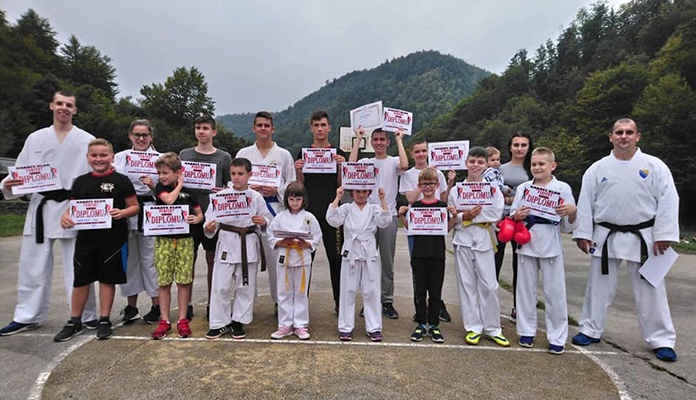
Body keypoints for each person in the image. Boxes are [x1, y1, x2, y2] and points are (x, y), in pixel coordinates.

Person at [571, 118, 680, 362]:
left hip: (645, 237)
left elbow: (669, 201)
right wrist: (583, 234)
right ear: (610, 136)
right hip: (606, 235)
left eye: (629, 132)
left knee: (651, 289)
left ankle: (661, 339)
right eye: (619, 132)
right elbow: (586, 203)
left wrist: (664, 234)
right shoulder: (597, 168)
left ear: (638, 136)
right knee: (598, 286)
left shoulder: (655, 166)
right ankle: (590, 328)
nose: (624, 136)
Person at [0, 90, 98, 336]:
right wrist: (8, 184)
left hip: (72, 206)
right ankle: (27, 315)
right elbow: (19, 172)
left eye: (69, 105)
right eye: (60, 103)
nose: (64, 108)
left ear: (75, 110)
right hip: (41, 205)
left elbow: (95, 174)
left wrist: (89, 206)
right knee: (32, 263)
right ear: (51, 106)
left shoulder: (86, 139)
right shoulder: (35, 138)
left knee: (78, 264)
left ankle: (85, 315)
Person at [53, 139, 139, 341]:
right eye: (94, 155)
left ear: (111, 156)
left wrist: (123, 212)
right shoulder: (81, 181)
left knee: (107, 279)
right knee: (81, 279)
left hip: (113, 238)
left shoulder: (121, 180)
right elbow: (73, 207)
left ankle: (104, 320)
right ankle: (74, 321)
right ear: (88, 158)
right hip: (86, 238)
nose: (99, 159)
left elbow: (135, 207)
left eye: (103, 155)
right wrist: (65, 216)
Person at [510, 147, 577, 354]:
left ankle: (557, 336)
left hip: (551, 243)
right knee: (525, 291)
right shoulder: (523, 188)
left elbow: (568, 225)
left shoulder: (563, 188)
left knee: (555, 293)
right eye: (534, 164)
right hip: (527, 241)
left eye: (542, 164)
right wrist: (517, 215)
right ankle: (526, 331)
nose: (537, 167)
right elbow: (513, 214)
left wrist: (573, 212)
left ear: (552, 166)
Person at [203, 158, 273, 340]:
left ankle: (238, 321)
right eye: (233, 174)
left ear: (250, 175)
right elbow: (210, 218)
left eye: (240, 174)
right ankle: (219, 323)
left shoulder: (256, 197)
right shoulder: (222, 196)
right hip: (227, 241)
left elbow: (267, 218)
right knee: (221, 286)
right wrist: (209, 227)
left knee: (245, 286)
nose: (236, 177)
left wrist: (263, 222)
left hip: (247, 242)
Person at [449, 146, 509, 347]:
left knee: (489, 285)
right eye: (472, 161)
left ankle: (493, 328)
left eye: (480, 162)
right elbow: (451, 217)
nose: (475, 165)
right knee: (467, 285)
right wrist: (462, 216)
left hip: (484, 239)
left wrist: (467, 216)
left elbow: (495, 215)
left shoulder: (493, 190)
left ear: (486, 165)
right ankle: (473, 327)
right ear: (466, 162)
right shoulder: (456, 190)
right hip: (462, 240)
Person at [236, 111, 296, 313]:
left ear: (273, 129)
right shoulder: (244, 154)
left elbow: (292, 184)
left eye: (266, 125)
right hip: (248, 211)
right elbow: (236, 183)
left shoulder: (284, 155)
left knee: (276, 259)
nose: (263, 128)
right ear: (253, 128)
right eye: (259, 125)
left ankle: (281, 302)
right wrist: (248, 189)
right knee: (247, 258)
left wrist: (277, 190)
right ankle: (245, 304)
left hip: (274, 209)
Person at [348, 127, 408, 319]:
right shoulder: (367, 162)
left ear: (387, 142)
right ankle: (369, 299)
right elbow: (351, 165)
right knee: (367, 261)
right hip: (368, 217)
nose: (379, 143)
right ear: (372, 142)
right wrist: (358, 139)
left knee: (387, 261)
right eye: (376, 140)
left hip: (388, 215)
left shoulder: (393, 162)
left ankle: (387, 300)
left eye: (383, 139)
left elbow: (405, 165)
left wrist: (399, 140)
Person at [293, 110, 346, 314]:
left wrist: (342, 167)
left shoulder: (338, 152)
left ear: (329, 127)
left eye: (323, 125)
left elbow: (342, 185)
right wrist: (299, 170)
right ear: (311, 128)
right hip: (309, 213)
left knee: (336, 259)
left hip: (333, 213)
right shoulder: (304, 153)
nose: (320, 129)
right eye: (316, 125)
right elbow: (299, 186)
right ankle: (301, 303)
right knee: (306, 260)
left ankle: (340, 303)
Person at [179, 115, 232, 320]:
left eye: (206, 128)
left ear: (214, 132)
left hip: (212, 217)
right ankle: (188, 303)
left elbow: (230, 185)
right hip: (189, 216)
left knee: (213, 262)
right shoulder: (184, 154)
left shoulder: (223, 157)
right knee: (188, 262)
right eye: (198, 128)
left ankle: (212, 303)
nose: (201, 131)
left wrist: (223, 192)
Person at [399, 139, 455, 323]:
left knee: (435, 272)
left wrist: (450, 181)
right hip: (418, 226)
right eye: (417, 151)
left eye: (424, 151)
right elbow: (410, 198)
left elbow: (444, 197)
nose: (421, 154)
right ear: (412, 153)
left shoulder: (437, 172)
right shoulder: (408, 175)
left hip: (436, 227)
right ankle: (420, 312)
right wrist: (422, 180)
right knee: (419, 271)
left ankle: (438, 308)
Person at [150, 153, 204, 339]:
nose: (162, 176)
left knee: (183, 281)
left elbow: (200, 214)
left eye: (165, 173)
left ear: (177, 172)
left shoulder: (190, 193)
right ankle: (164, 320)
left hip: (184, 240)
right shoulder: (159, 188)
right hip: (164, 240)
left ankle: (182, 319)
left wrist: (195, 219)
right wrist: (179, 184)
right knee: (164, 282)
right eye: (159, 173)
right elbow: (168, 200)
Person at [327, 186, 391, 342]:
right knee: (347, 290)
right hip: (351, 252)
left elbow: (385, 222)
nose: (361, 195)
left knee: (371, 291)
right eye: (357, 192)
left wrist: (383, 199)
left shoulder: (374, 208)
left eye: (364, 192)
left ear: (369, 193)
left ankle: (374, 327)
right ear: (352, 193)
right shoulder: (346, 208)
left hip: (369, 253)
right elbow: (332, 219)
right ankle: (345, 327)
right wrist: (337, 197)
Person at [113, 119, 161, 324]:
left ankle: (157, 305)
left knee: (151, 260)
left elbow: (170, 187)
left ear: (151, 137)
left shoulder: (160, 159)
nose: (141, 139)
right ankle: (131, 306)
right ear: (130, 136)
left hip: (152, 208)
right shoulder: (121, 157)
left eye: (145, 135)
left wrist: (153, 186)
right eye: (137, 135)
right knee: (130, 261)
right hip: (127, 210)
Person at [268, 181, 322, 340]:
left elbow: (317, 236)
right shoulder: (279, 217)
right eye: (291, 200)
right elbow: (271, 234)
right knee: (284, 291)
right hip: (284, 257)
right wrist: (279, 242)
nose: (295, 203)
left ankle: (300, 324)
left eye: (298, 199)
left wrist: (308, 244)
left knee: (300, 292)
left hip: (302, 257)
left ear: (303, 200)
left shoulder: (309, 218)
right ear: (286, 200)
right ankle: (284, 324)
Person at [496, 132, 533, 321]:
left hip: (523, 221)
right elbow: (493, 192)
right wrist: (513, 198)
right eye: (516, 145)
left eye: (523, 145)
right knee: (495, 262)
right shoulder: (499, 169)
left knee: (522, 266)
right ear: (510, 147)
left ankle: (519, 307)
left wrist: (510, 198)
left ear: (529, 147)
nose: (519, 148)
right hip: (500, 220)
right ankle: (491, 306)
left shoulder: (533, 170)